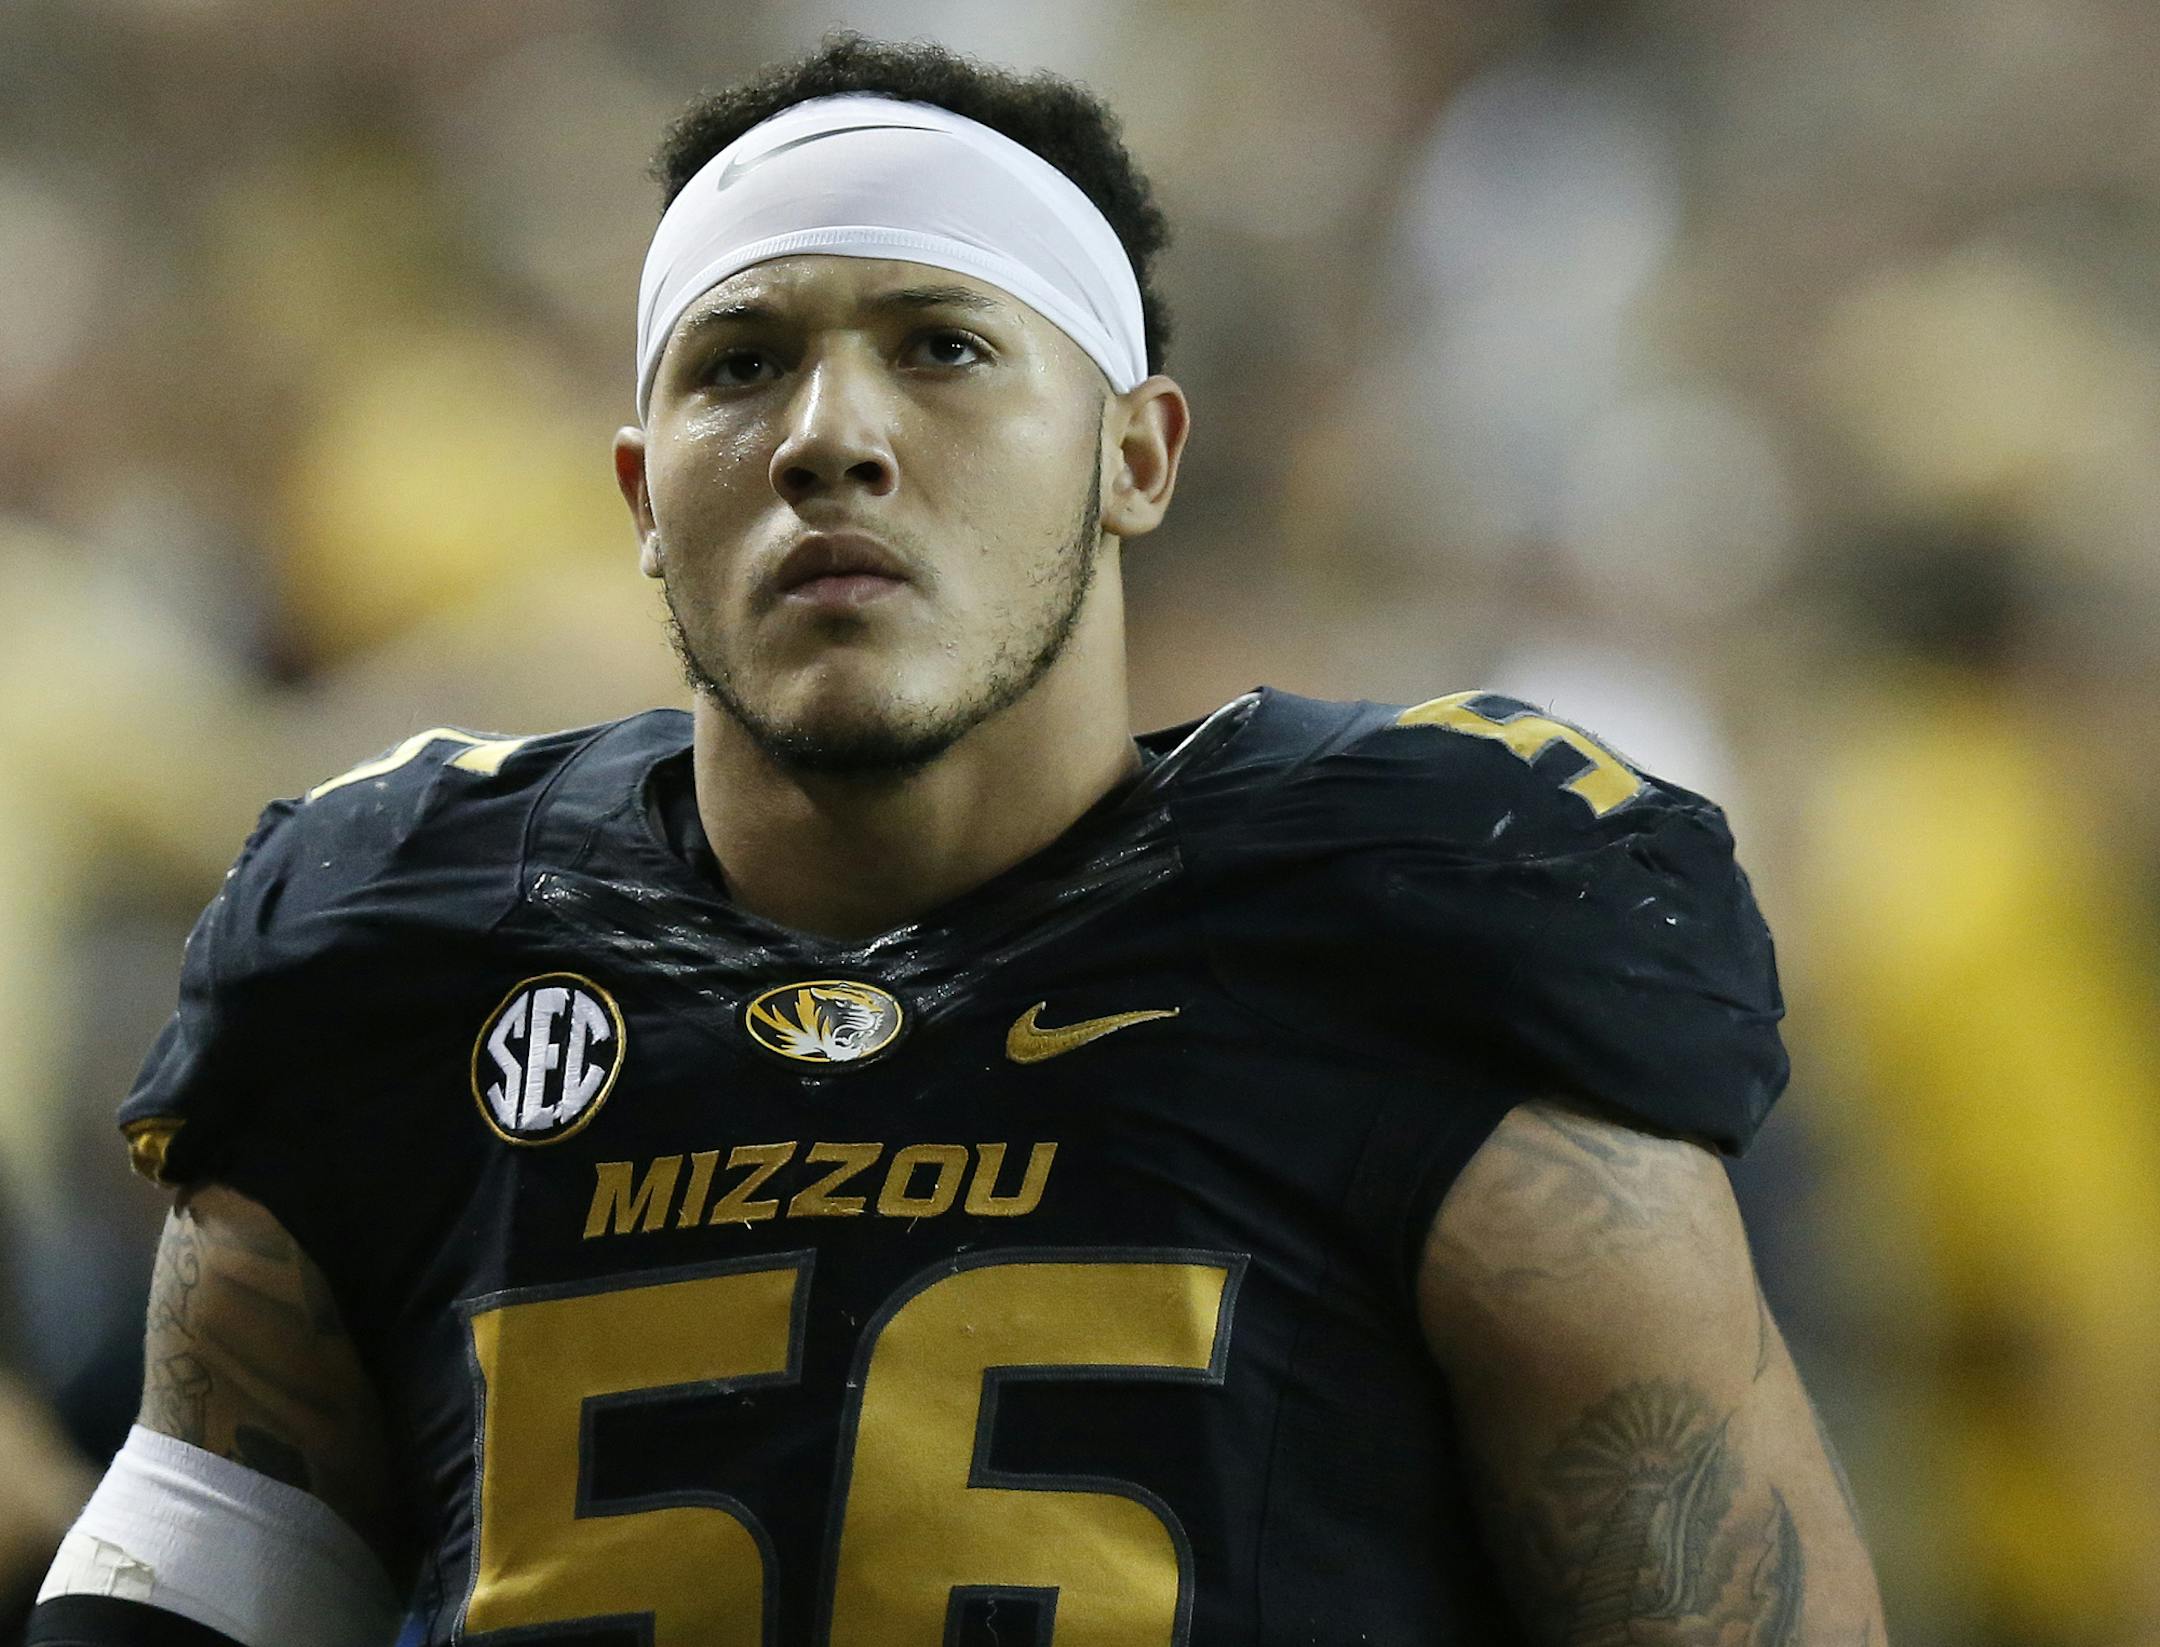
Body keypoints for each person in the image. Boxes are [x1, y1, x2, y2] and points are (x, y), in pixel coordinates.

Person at [28, 32, 1884, 1647]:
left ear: (1138, 455)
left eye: (942, 347)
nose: (831, 434)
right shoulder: (401, 956)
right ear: (641, 495)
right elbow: (187, 1590)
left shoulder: (1407, 941)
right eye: (740, 363)